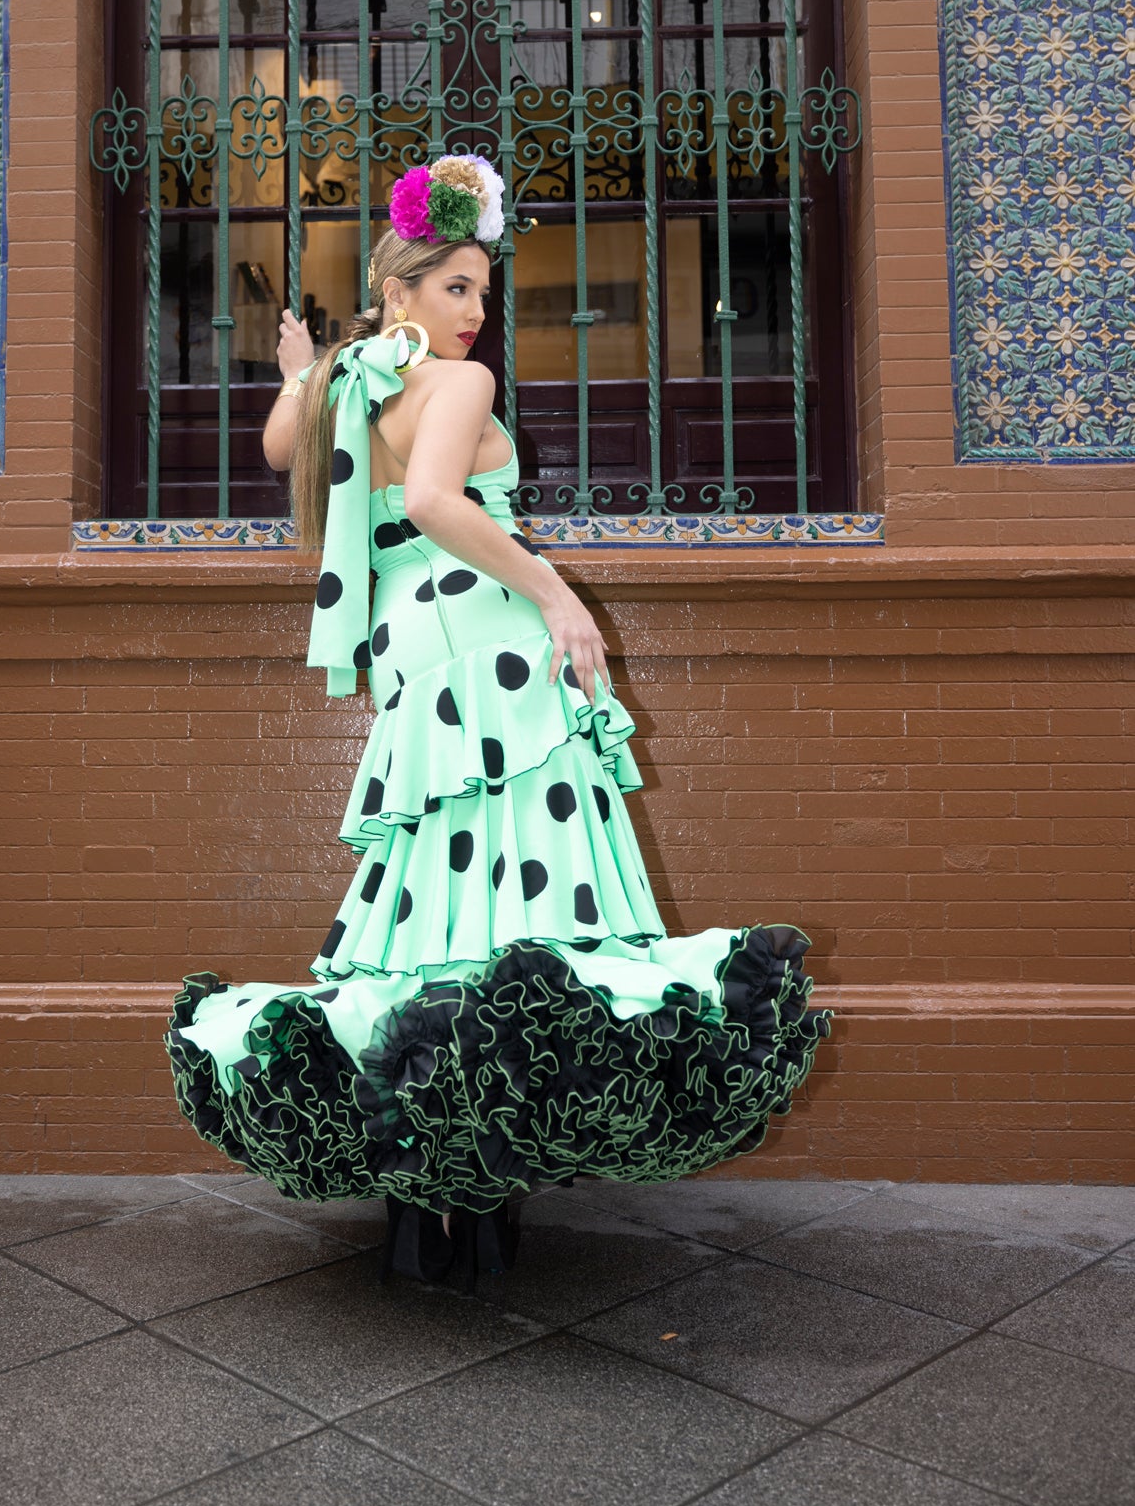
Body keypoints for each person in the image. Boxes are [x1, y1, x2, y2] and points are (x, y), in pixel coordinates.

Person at [165, 153, 829, 1289]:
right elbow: (431, 501)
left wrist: (291, 371)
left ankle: (419, 1212)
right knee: (520, 899)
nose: (476, 312)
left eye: (481, 291)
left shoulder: (350, 377)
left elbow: (281, 450)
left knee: (434, 909)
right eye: (457, 287)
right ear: (404, 287)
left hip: (411, 651)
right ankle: (486, 1203)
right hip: (483, 634)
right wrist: (557, 591)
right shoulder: (454, 388)